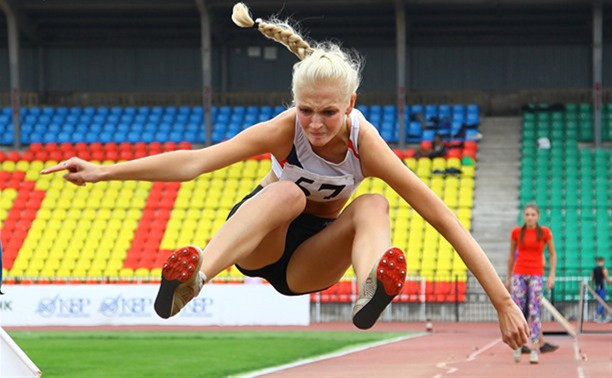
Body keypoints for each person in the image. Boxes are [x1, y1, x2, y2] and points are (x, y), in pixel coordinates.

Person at [42, 2, 528, 346]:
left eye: (329, 113)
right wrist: (103, 172)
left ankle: (370, 290)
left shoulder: (367, 143)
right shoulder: (284, 128)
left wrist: (503, 302)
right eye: (306, 110)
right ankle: (196, 279)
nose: (315, 124)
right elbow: (194, 162)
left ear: (351, 106)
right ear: (295, 104)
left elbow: (441, 215)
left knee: (375, 203)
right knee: (290, 195)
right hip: (261, 237)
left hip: (308, 260)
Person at [506, 203, 557, 364]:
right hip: (519, 273)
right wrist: (508, 277)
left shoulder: (545, 233)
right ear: (523, 216)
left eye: (533, 214)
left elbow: (552, 254)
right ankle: (518, 346)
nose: (530, 217)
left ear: (538, 216)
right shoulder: (516, 232)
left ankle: (535, 348)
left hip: (536, 274)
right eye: (527, 214)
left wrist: (551, 275)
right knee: (518, 310)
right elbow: (511, 256)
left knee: (534, 311)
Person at [591, 257, 611, 322]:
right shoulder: (603, 269)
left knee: (600, 301)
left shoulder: (594, 269)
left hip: (597, 287)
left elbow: (592, 279)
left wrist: (591, 288)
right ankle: (596, 315)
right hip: (602, 287)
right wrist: (610, 282)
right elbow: (606, 277)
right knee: (602, 302)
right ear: (602, 261)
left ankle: (603, 316)